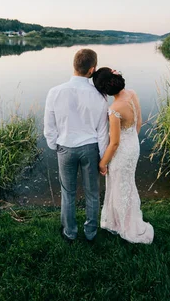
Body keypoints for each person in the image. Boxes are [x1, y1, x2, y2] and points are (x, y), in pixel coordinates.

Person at [43, 49, 109, 242]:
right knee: (92, 193)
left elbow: (49, 125)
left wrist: (55, 145)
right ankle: (91, 233)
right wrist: (104, 159)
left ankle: (70, 232)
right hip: (90, 148)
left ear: (74, 65)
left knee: (68, 193)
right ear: (92, 69)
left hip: (65, 148)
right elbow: (102, 132)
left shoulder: (55, 92)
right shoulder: (100, 96)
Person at [92, 67, 154, 244]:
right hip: (133, 146)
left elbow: (114, 143)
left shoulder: (114, 110)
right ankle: (121, 219)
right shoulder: (132, 94)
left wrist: (103, 163)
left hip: (121, 153)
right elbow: (139, 122)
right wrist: (131, 140)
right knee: (127, 184)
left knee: (119, 187)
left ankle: (124, 225)